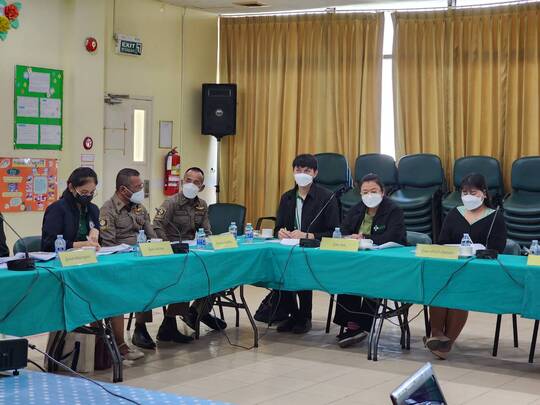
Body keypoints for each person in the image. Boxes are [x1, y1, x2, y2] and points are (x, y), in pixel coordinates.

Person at [426, 173, 507, 359]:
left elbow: (497, 249)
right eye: (464, 192)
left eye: (473, 192)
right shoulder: (455, 213)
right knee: (438, 286)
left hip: (479, 271)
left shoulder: (495, 217)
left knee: (459, 291)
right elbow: (442, 242)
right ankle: (436, 335)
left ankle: (447, 343)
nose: (468, 196)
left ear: (484, 193)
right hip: (452, 268)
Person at [333, 173, 407, 348]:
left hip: (385, 262)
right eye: (365, 192)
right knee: (347, 275)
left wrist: (365, 238)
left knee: (370, 277)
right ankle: (351, 324)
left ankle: (361, 326)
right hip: (357, 260)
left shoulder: (393, 210)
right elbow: (343, 230)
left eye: (373, 191)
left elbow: (393, 236)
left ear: (383, 192)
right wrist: (350, 237)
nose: (369, 195)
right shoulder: (357, 209)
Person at [153, 167, 226, 341]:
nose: (191, 184)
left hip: (194, 251)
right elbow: (156, 226)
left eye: (196, 182)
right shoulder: (171, 203)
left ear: (202, 187)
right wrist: (168, 246)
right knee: (185, 276)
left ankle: (197, 312)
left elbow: (206, 231)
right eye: (188, 180)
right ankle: (169, 323)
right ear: (182, 182)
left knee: (218, 272)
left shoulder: (202, 205)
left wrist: (210, 243)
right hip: (174, 254)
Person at [275, 154, 340, 334]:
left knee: (301, 269)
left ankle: (304, 317)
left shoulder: (327, 197)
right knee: (279, 267)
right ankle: (292, 315)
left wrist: (308, 235)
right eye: (298, 170)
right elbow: (278, 227)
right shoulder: (287, 197)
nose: (302, 174)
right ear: (293, 172)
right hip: (289, 248)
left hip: (315, 250)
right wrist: (280, 232)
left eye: (307, 171)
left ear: (315, 173)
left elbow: (334, 232)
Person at [99, 168, 157, 360]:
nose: (142, 190)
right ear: (124, 190)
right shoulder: (108, 210)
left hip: (142, 261)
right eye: (138, 187)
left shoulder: (139, 207)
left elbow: (151, 235)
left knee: (157, 281)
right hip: (120, 264)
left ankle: (147, 328)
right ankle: (119, 343)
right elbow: (108, 246)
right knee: (122, 294)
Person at [41, 167, 101, 252]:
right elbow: (49, 244)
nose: (88, 196)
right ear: (71, 187)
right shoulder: (57, 209)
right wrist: (80, 245)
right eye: (84, 192)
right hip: (61, 258)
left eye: (92, 192)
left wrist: (96, 231)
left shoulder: (93, 209)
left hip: (88, 256)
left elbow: (98, 240)